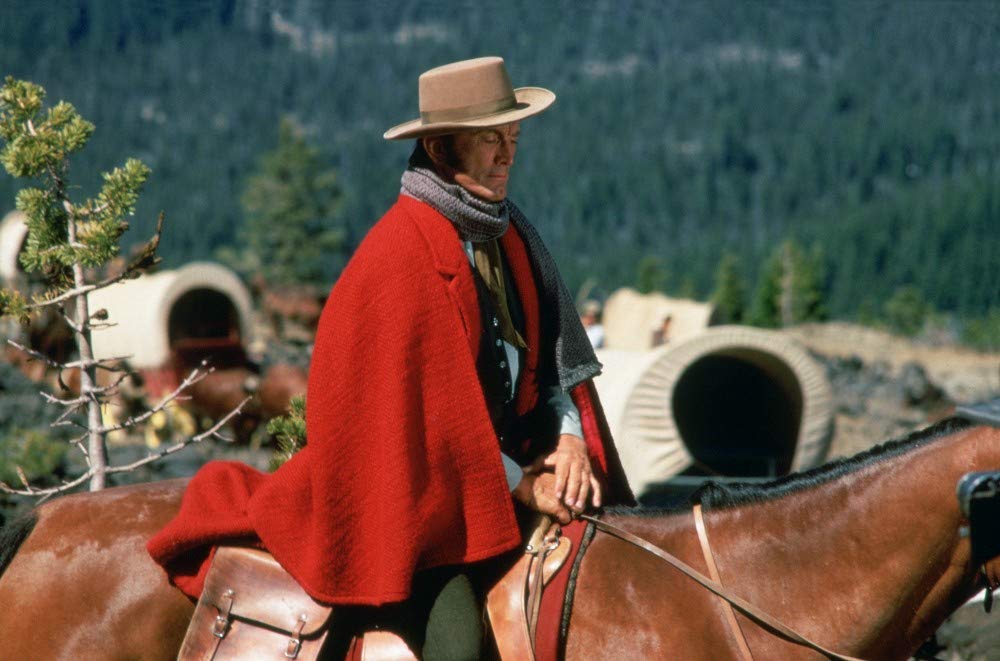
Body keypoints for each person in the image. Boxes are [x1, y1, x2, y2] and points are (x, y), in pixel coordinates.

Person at [148, 56, 632, 660]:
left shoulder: (512, 236)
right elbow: (431, 434)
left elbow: (549, 366)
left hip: (518, 475)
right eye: (491, 140)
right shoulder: (398, 259)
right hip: (429, 513)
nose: (508, 155)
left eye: (513, 138)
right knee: (456, 645)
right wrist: (524, 488)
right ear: (439, 148)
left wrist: (569, 439)